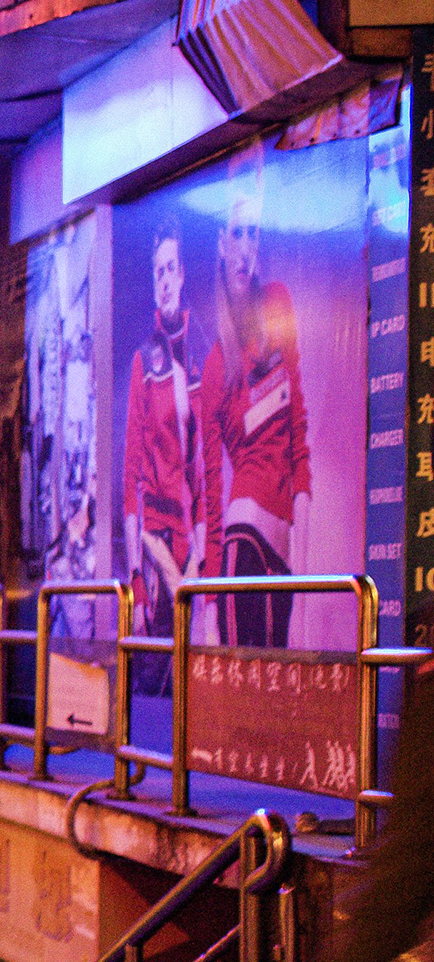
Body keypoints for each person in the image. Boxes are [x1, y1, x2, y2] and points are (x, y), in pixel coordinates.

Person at [199, 151, 310, 647]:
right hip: (243, 536)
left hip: (284, 542)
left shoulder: (277, 305)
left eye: (253, 234)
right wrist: (208, 605)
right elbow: (211, 494)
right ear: (222, 244)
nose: (245, 248)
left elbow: (298, 429)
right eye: (236, 234)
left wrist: (304, 559)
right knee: (254, 681)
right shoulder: (215, 367)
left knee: (282, 672)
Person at [120, 214, 219, 647]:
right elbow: (130, 473)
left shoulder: (204, 352)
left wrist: (204, 562)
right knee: (156, 666)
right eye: (157, 272)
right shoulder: (144, 361)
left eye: (170, 269)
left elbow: (210, 472)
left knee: (197, 663)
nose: (163, 281)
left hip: (193, 542)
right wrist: (137, 577)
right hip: (154, 538)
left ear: (182, 275)